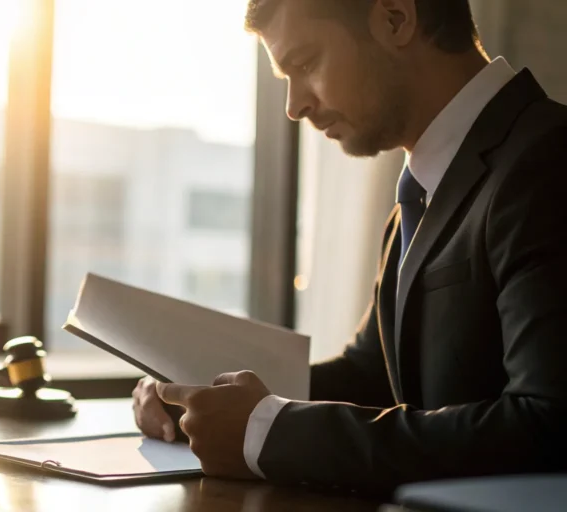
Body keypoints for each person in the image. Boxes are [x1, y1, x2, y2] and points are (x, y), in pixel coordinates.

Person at [133, 0, 567, 491]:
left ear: (396, 19)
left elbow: (548, 425)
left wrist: (266, 433)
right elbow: (371, 375)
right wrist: (200, 395)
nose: (294, 106)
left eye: (305, 64)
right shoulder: (425, 191)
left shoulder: (548, 159)